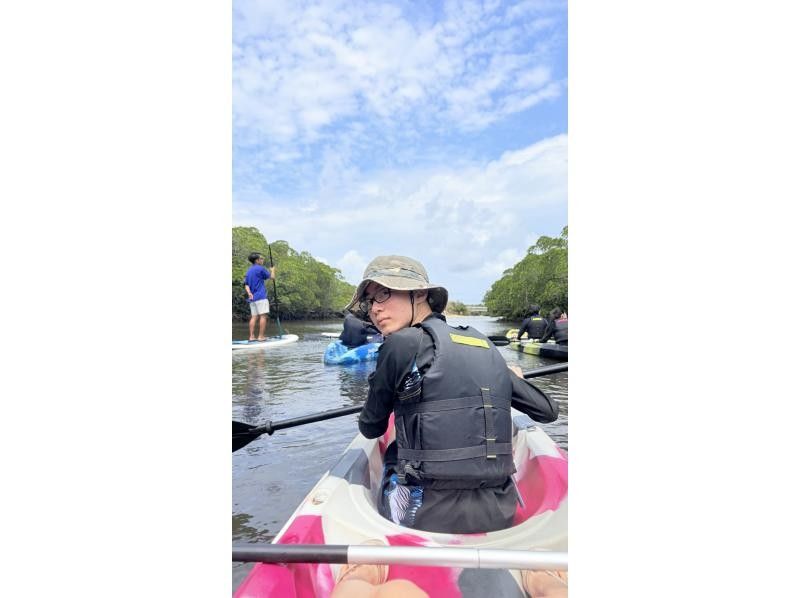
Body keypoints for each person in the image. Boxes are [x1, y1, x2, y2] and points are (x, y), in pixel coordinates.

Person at [344, 255, 560, 535]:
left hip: (422, 516)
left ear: (419, 294)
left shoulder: (399, 344)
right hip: (498, 512)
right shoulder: (483, 343)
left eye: (384, 293)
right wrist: (511, 380)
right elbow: (548, 411)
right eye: (370, 301)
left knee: (393, 447)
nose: (375, 308)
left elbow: (371, 427)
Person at [243, 252, 275, 341]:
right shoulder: (260, 268)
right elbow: (272, 277)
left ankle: (251, 337)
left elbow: (246, 284)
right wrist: (272, 270)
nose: (262, 260)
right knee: (263, 316)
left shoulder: (248, 271)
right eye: (261, 258)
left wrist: (249, 293)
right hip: (261, 297)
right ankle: (261, 337)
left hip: (252, 298)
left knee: (254, 317)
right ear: (257, 260)